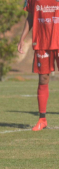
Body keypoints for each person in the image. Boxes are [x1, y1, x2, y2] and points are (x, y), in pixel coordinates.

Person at [17, 0, 59, 131]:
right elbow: (30, 17)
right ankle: (42, 119)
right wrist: (22, 38)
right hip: (42, 41)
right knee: (43, 79)